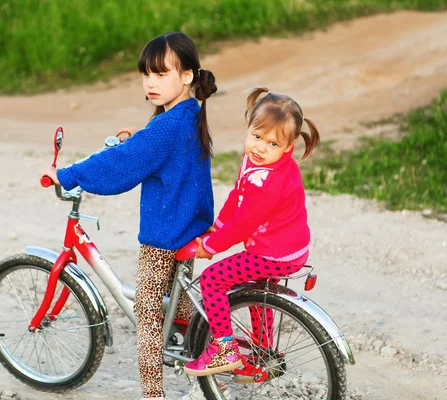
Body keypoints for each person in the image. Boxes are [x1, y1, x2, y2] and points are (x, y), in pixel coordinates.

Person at [40, 32, 218, 400]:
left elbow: (122, 165)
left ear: (186, 76)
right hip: (191, 226)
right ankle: (196, 351)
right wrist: (140, 137)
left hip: (164, 236)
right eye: (146, 74)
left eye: (160, 74)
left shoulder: (167, 126)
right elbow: (156, 147)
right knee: (180, 302)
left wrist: (68, 174)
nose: (150, 83)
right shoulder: (188, 113)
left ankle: (153, 394)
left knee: (147, 317)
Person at [183, 87, 320, 377]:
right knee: (258, 292)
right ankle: (262, 348)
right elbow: (237, 195)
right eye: (256, 136)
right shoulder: (262, 164)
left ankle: (223, 349)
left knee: (212, 280)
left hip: (274, 254)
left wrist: (210, 246)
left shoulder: (267, 183)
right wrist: (217, 227)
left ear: (288, 148)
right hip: (288, 247)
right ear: (248, 128)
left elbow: (245, 224)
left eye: (272, 143)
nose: (260, 147)